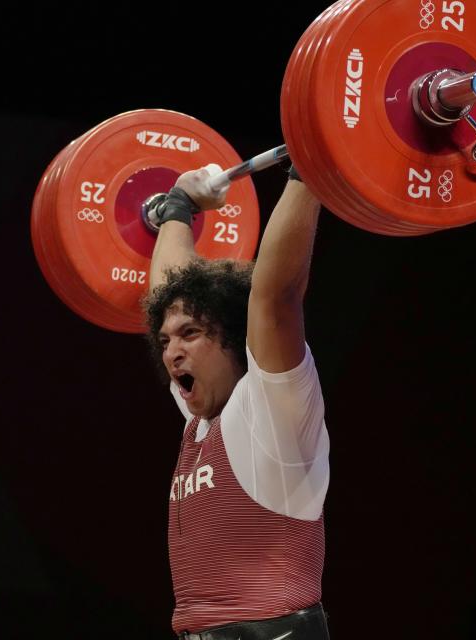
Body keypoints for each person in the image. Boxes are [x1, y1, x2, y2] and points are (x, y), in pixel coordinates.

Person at [143, 163, 331, 640]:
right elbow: (169, 285)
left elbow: (276, 296)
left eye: (190, 334)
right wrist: (176, 209)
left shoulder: (271, 412)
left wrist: (309, 171)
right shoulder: (200, 417)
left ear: (233, 337)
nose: (172, 352)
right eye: (165, 341)